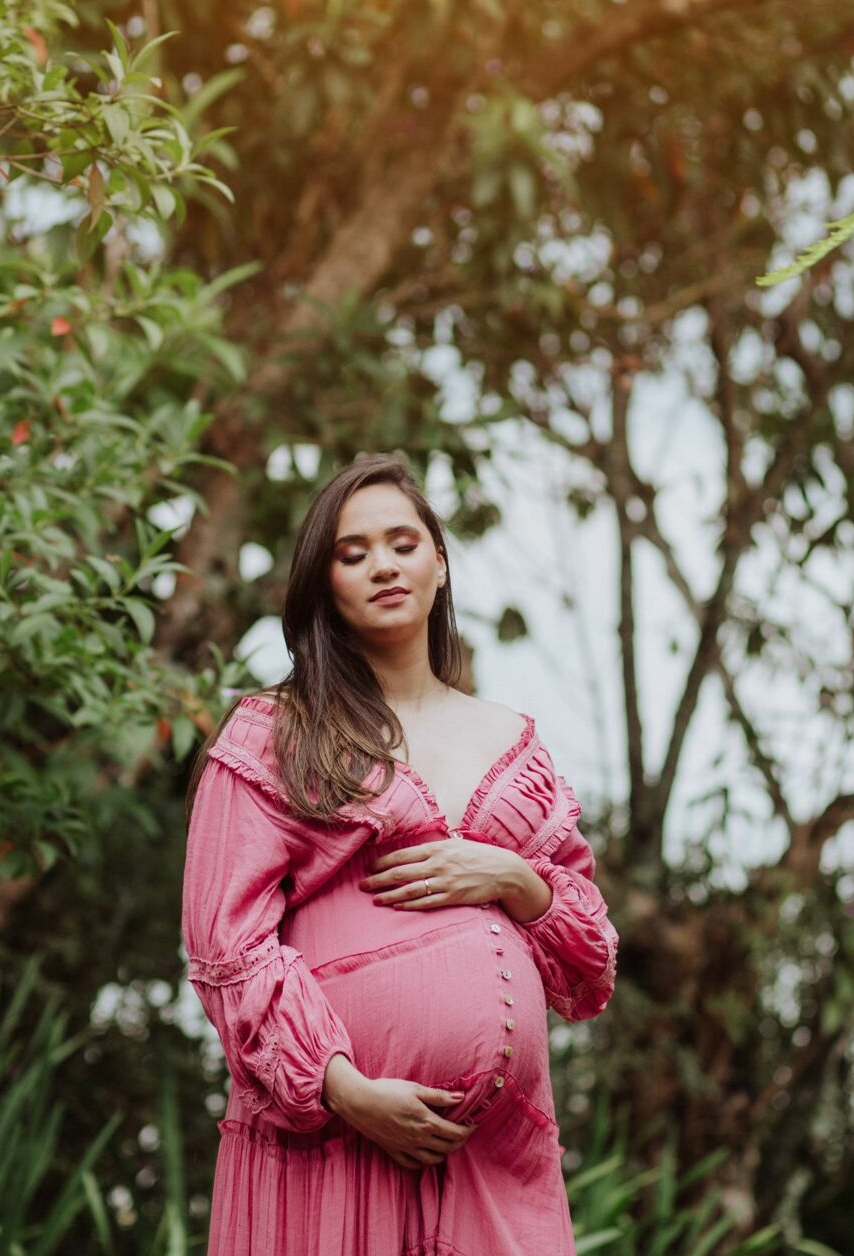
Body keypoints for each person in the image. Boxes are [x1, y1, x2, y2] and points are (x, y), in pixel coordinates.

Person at [180, 452, 619, 1254]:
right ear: (326, 586)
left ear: (440, 564)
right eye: (352, 554)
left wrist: (516, 879)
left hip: (492, 1163)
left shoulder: (511, 740)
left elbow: (588, 958)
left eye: (403, 542)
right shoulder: (277, 734)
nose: (382, 564)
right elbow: (226, 945)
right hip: (333, 1147)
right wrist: (342, 1089)